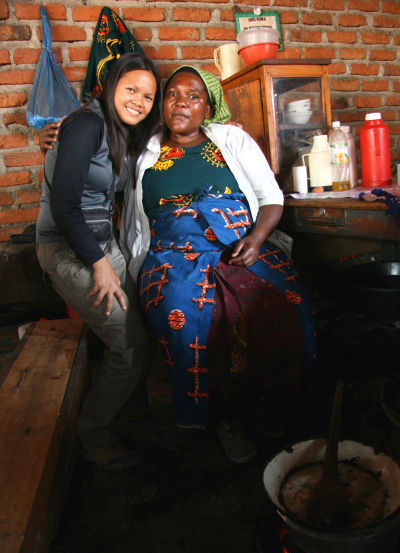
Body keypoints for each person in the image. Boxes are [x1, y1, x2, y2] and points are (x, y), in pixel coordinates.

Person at [118, 66, 316, 464]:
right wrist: (56, 136)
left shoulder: (232, 139)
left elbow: (271, 198)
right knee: (184, 313)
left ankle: (260, 398)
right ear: (162, 103)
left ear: (208, 107)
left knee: (286, 300)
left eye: (193, 97)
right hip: (171, 253)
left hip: (240, 242)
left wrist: (256, 240)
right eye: (173, 94)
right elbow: (94, 153)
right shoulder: (143, 150)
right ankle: (222, 414)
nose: (182, 103)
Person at [36, 53, 163, 470]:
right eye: (131, 90)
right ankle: (91, 431)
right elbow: (65, 203)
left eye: (148, 96)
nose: (139, 101)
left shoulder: (123, 131)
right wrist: (100, 264)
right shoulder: (87, 124)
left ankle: (124, 404)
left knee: (137, 331)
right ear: (111, 86)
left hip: (102, 246)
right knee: (128, 344)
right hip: (70, 250)